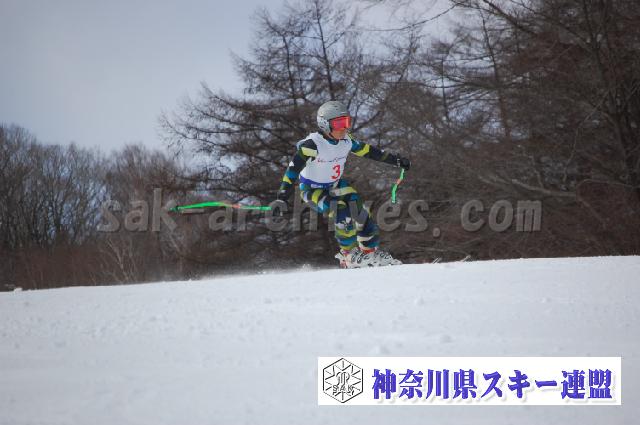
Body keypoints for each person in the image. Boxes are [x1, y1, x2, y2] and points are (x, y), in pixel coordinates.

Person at [276, 101, 411, 268]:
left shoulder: (347, 141)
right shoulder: (312, 145)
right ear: (325, 124)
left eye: (346, 122)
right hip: (312, 190)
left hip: (335, 185)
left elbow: (370, 152)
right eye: (339, 124)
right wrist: (282, 196)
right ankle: (348, 254)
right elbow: (292, 170)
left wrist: (396, 160)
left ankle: (369, 252)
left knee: (359, 208)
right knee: (340, 209)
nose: (344, 128)